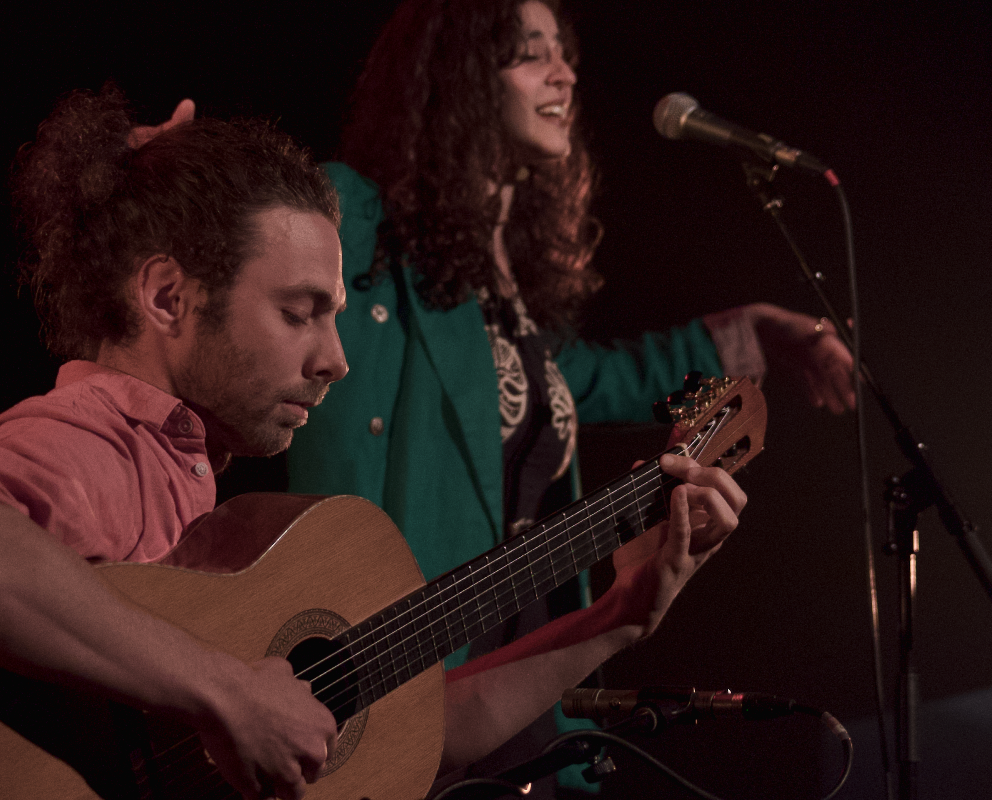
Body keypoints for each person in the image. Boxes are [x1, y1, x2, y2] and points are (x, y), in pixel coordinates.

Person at [0, 86, 747, 800]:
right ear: (168, 298)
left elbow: (420, 730)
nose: (335, 359)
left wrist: (618, 617)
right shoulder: (101, 441)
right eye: (299, 313)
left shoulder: (196, 486)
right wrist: (226, 690)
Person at [271, 0, 860, 793]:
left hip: (513, 694)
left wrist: (757, 331)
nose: (565, 71)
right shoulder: (361, 218)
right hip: (397, 688)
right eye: (529, 53)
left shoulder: (501, 292)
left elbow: (594, 378)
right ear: (460, 80)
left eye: (564, 52)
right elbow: (257, 249)